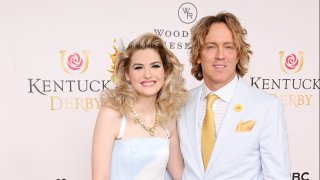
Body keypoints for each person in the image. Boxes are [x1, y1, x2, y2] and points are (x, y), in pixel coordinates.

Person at [177, 12, 291, 179]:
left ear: (238, 54)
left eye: (229, 46)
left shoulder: (267, 106)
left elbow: (277, 176)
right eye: (211, 46)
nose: (220, 55)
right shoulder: (180, 104)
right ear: (198, 54)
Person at [92, 33, 188, 180]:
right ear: (127, 75)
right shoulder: (111, 114)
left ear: (166, 71)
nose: (148, 74)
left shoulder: (169, 117)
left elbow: (180, 175)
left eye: (155, 66)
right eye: (138, 68)